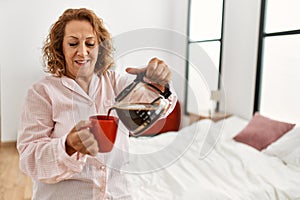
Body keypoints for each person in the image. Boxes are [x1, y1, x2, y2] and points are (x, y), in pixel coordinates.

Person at [17, 8, 177, 200]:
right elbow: (29, 160)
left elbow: (157, 107)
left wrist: (158, 85)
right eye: (73, 43)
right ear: (60, 48)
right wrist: (67, 146)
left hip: (118, 194)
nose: (82, 52)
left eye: (90, 43)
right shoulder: (42, 92)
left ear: (100, 47)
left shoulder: (117, 83)